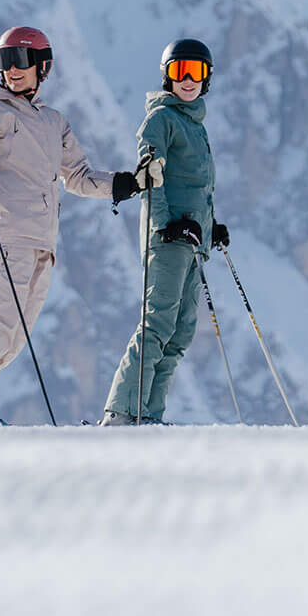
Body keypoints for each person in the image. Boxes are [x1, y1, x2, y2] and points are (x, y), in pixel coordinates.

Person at [0, 25, 144, 425]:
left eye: (21, 61)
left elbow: (78, 175)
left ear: (41, 66)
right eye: (5, 62)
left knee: (14, 334)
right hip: (8, 233)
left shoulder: (53, 123)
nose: (12, 70)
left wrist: (121, 183)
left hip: (43, 244)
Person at [102, 38, 223, 425]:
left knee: (181, 332)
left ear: (207, 79)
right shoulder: (160, 119)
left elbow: (199, 185)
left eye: (196, 72)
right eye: (178, 71)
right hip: (169, 237)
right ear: (167, 76)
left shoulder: (195, 124)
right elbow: (150, 175)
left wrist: (210, 225)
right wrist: (168, 224)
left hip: (193, 240)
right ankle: (123, 411)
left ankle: (149, 415)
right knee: (157, 323)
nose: (187, 80)